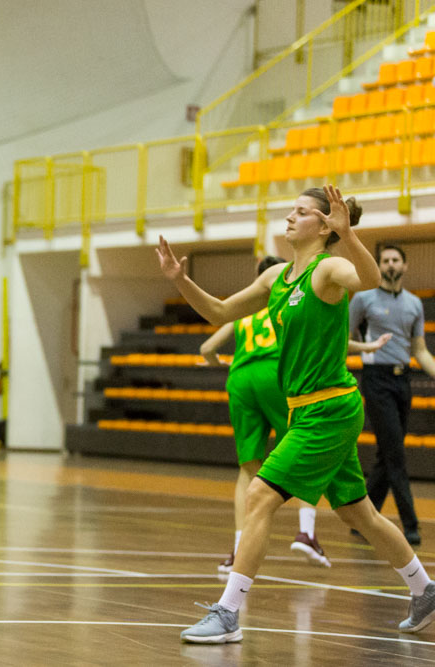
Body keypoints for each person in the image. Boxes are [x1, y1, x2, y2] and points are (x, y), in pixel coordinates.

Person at [157, 185, 435, 644]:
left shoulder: (330, 268)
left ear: (323, 226)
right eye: (291, 210)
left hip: (329, 408)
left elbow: (366, 279)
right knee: (358, 514)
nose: (289, 217)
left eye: (301, 212)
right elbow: (220, 312)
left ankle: (228, 614)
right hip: (306, 409)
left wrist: (348, 236)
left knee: (261, 495)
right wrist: (179, 281)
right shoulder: (277, 278)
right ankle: (424, 590)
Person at [200, 257, 390, 572]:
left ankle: (237, 549)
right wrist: (366, 348)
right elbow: (325, 341)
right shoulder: (285, 301)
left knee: (248, 468)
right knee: (301, 452)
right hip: (275, 375)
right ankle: (306, 531)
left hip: (239, 378)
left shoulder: (242, 315)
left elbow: (208, 347)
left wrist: (217, 363)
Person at [349, 245, 435, 546]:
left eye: (395, 260)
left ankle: (362, 519)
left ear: (405, 265)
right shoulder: (363, 299)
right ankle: (410, 525)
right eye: (384, 260)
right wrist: (367, 351)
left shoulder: (414, 304)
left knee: (388, 453)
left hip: (403, 379)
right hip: (376, 379)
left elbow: (420, 350)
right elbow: (346, 340)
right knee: (395, 454)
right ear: (379, 266)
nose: (390, 264)